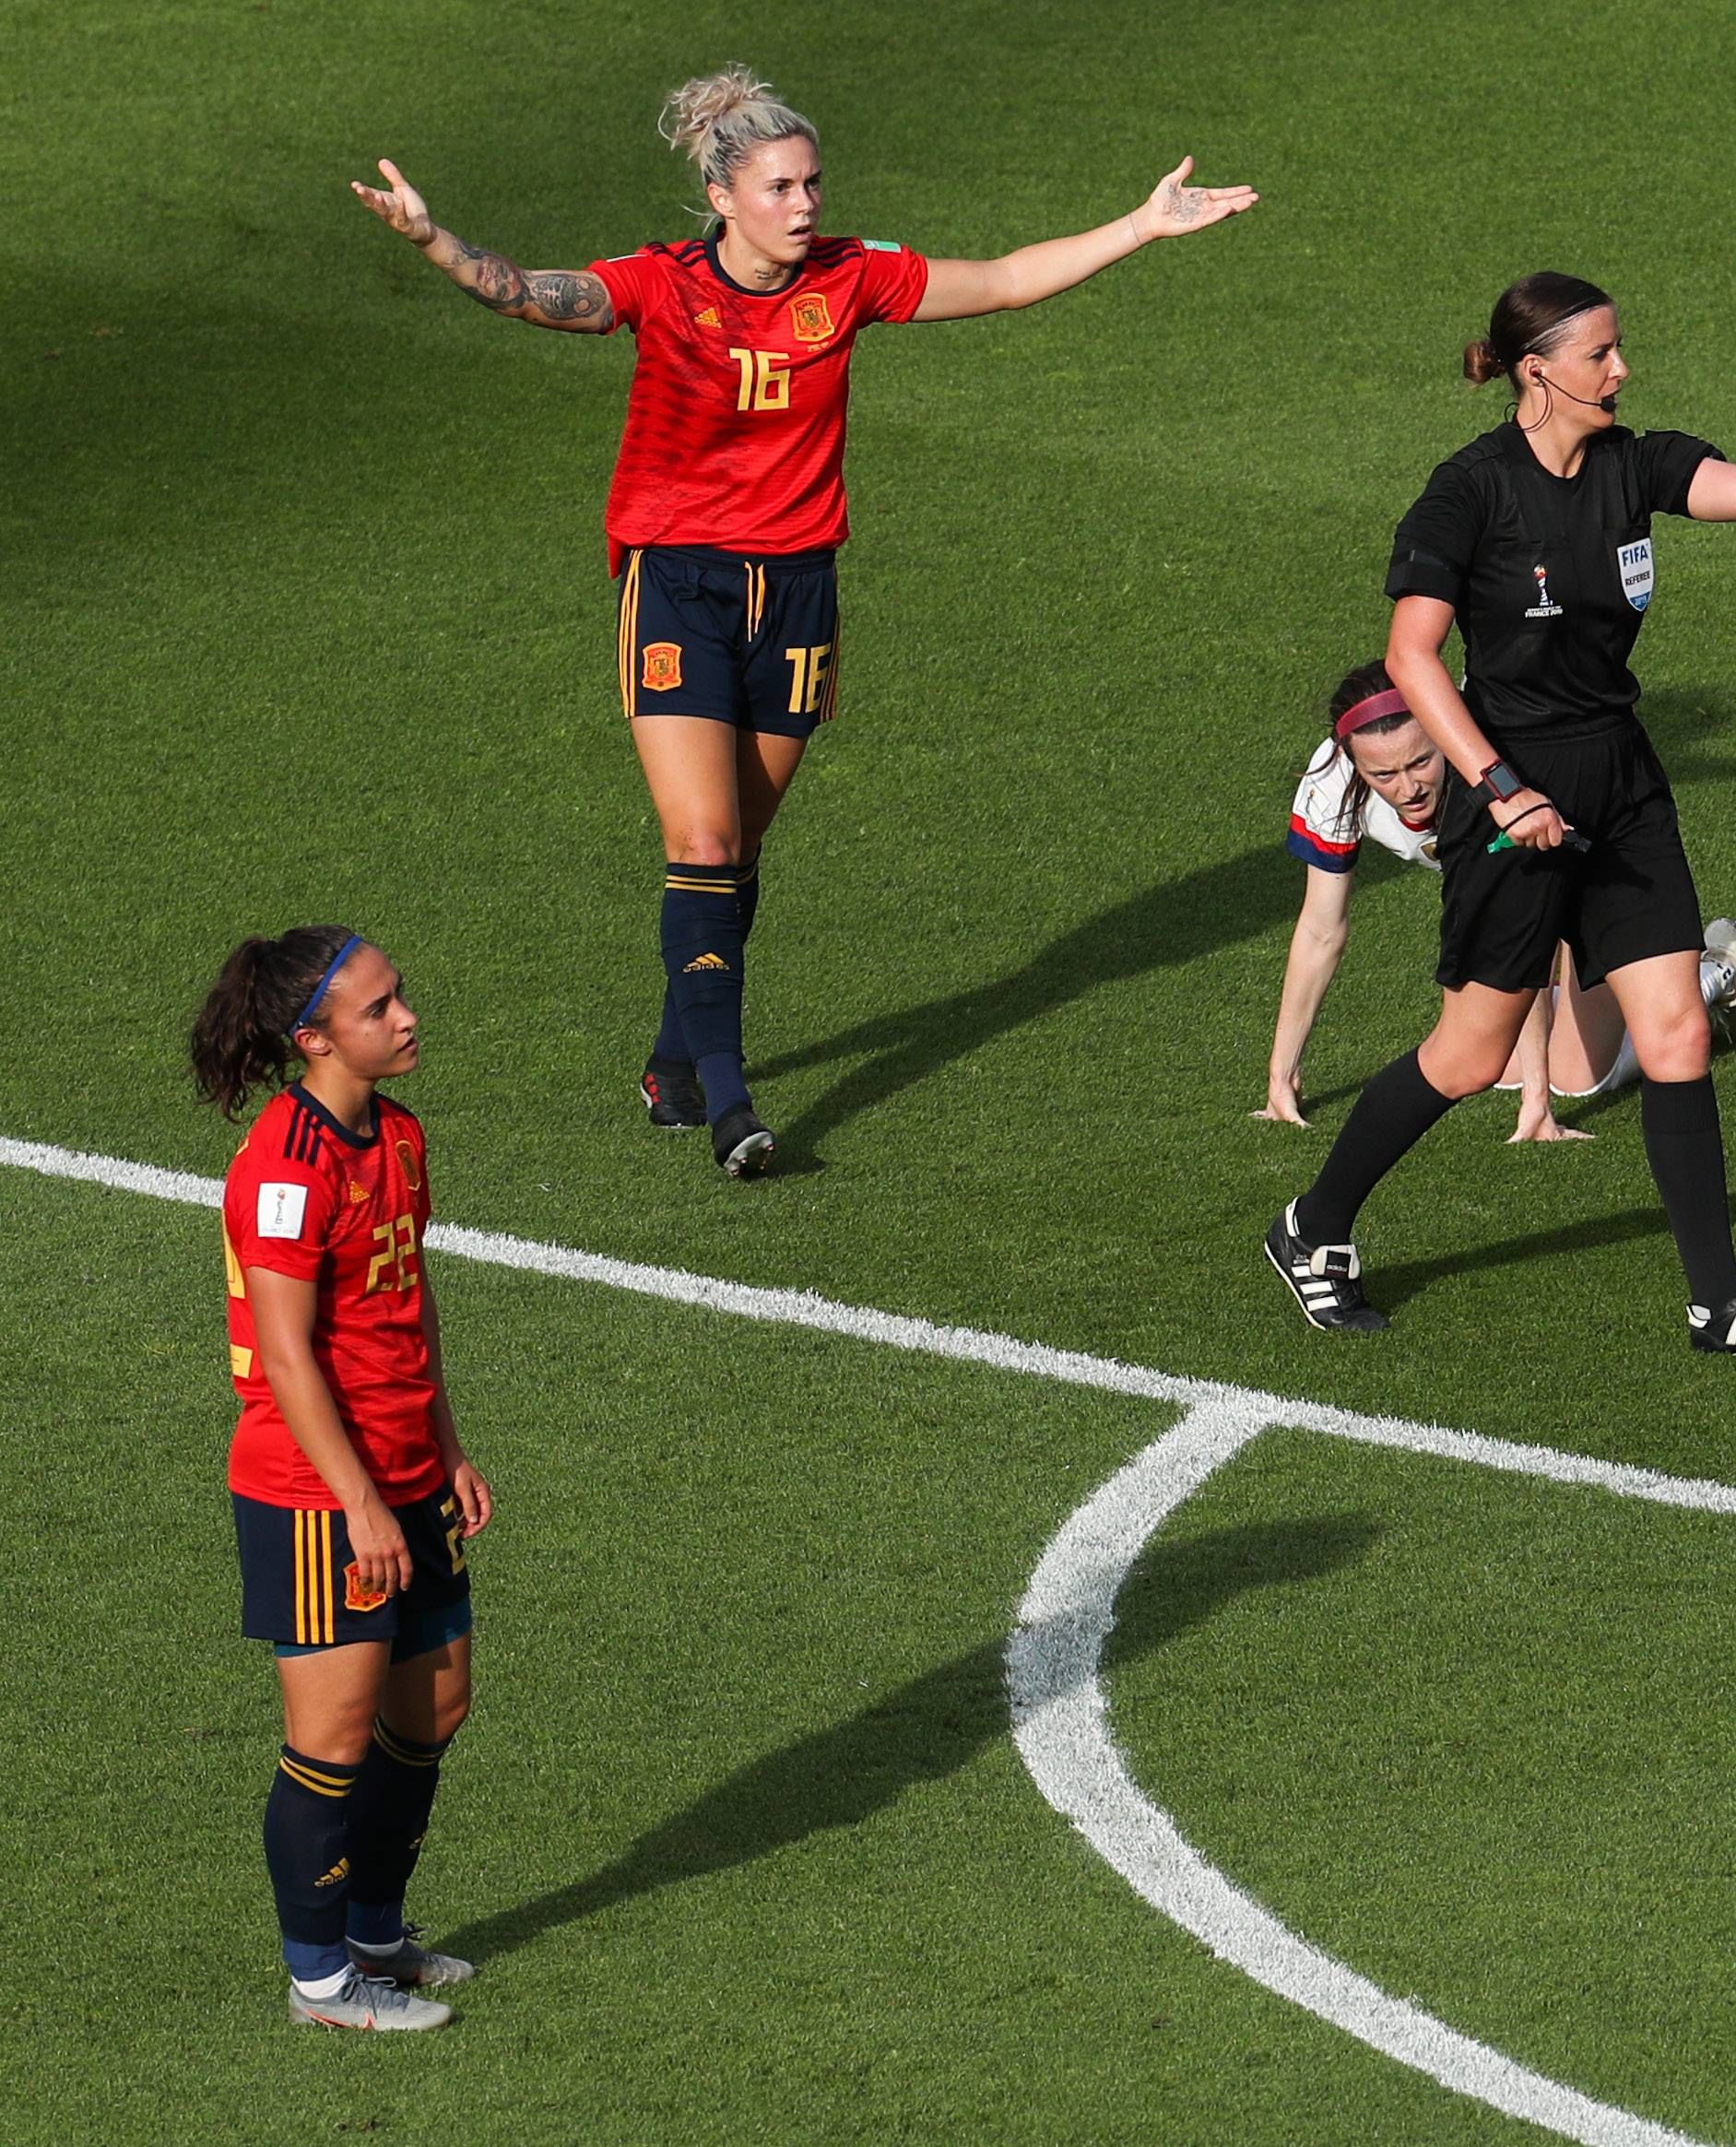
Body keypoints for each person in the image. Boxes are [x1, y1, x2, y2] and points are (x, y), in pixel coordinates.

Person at [351, 68, 1258, 1177]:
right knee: (702, 840)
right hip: (678, 579)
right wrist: (435, 241)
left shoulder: (852, 279)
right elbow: (536, 294)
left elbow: (1009, 279)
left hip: (799, 592)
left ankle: (671, 1057)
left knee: (739, 852)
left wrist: (1142, 225)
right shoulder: (662, 284)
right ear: (721, 195)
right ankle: (730, 1108)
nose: (805, 204)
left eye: (813, 182)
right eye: (780, 187)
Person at [1262, 272, 1736, 1348]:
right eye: (1599, 355)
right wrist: (1497, 786)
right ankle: (1313, 1225)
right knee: (1469, 1055)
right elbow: (1413, 655)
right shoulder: (1469, 493)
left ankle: (1718, 1302)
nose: (1622, 369)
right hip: (1511, 795)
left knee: (1677, 1029)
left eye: (1620, 349)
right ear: (1535, 370)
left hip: (1621, 783)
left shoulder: (1634, 465)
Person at [192, 927, 495, 2032]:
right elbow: (286, 1357)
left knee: (436, 1702)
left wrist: (446, 1444)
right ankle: (321, 1979)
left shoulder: (401, 1136)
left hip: (408, 1472)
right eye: (378, 1009)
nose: (406, 1016)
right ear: (313, 1038)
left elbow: (405, 1307)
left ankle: (374, 1926)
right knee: (332, 1733)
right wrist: (363, 1501)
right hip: (317, 1491)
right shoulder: (284, 1169)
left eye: (400, 995)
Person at [1258, 662, 1736, 1142]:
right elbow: (1322, 930)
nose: (1409, 787)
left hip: (1592, 871)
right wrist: (1282, 1076)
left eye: (1421, 760)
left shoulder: (1494, 767)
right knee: (1478, 1063)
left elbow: (1529, 933)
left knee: (1576, 1078)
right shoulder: (1332, 779)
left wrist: (1540, 1100)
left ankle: (1719, 967)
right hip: (1525, 898)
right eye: (1383, 776)